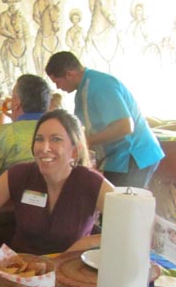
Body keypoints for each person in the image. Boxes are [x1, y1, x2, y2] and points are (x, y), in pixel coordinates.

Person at [0, 109, 114, 264]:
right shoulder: (20, 174)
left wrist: (89, 242)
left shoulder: (92, 183)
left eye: (56, 139)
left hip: (70, 272)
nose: (44, 148)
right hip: (21, 271)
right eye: (39, 139)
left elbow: (129, 227)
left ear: (74, 151)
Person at [45, 51, 163, 188]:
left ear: (69, 74)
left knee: (121, 200)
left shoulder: (101, 86)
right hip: (115, 158)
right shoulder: (82, 91)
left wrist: (85, 142)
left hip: (133, 155)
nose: (58, 87)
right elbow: (82, 127)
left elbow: (124, 126)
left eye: (57, 82)